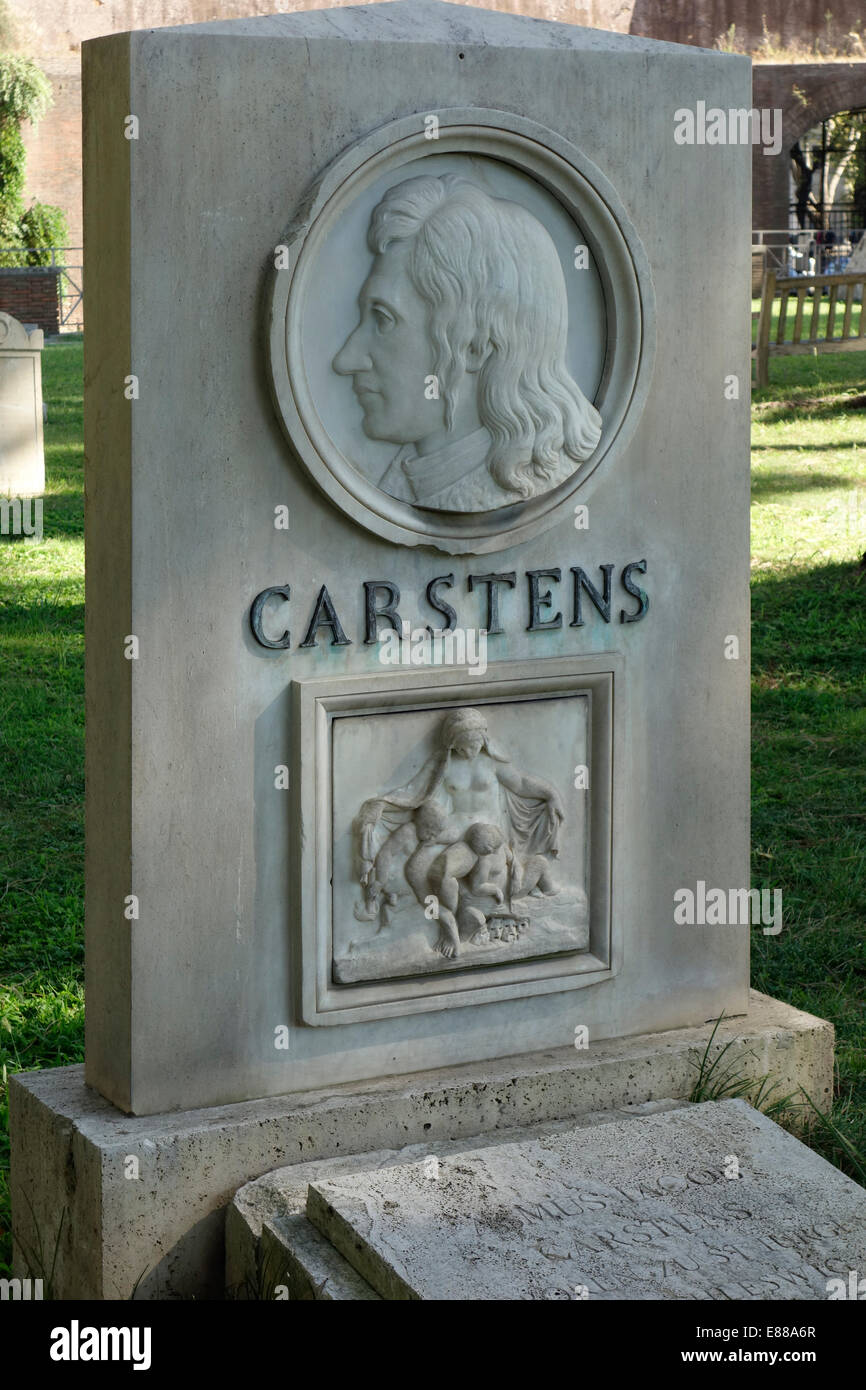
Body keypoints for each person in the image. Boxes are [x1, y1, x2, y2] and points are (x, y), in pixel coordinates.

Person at [333, 174, 602, 512]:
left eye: (384, 320)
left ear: (476, 345)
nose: (347, 359)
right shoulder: (407, 481)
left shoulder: (542, 476)